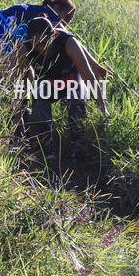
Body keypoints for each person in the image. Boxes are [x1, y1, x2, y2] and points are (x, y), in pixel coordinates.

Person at [23, 16, 110, 183]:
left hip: (71, 78)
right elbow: (24, 80)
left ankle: (78, 146)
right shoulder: (25, 49)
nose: (41, 49)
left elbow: (89, 76)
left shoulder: (68, 42)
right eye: (37, 45)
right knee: (39, 98)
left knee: (77, 99)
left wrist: (103, 109)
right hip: (47, 82)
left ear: (53, 34)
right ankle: (46, 148)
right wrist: (22, 108)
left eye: (44, 43)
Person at [0, 0, 76, 77]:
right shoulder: (51, 15)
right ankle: (17, 101)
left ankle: (22, 100)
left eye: (69, 21)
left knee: (27, 71)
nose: (65, 23)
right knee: (17, 74)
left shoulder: (36, 9)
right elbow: (71, 41)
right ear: (56, 7)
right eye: (66, 17)